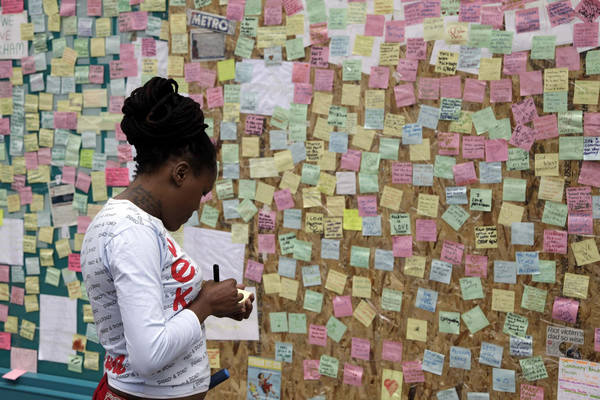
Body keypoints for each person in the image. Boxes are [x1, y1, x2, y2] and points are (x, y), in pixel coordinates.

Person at [81, 77, 254, 400]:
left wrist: (214, 301)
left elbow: (157, 307)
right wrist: (206, 304)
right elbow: (149, 354)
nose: (198, 204)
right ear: (180, 173)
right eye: (201, 192)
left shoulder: (139, 224)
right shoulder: (131, 232)